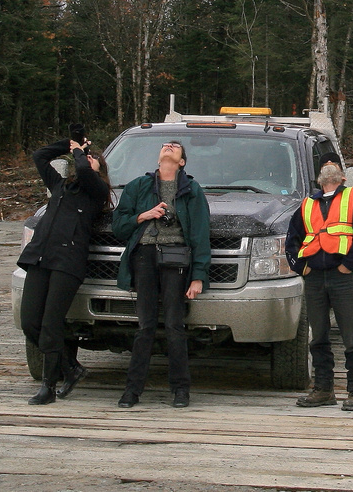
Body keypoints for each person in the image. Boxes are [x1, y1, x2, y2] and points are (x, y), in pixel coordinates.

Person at [111, 139, 209, 407]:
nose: (169, 146)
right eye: (165, 145)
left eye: (175, 147)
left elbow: (200, 235)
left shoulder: (192, 190)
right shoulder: (138, 186)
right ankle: (132, 390)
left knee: (175, 325)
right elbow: (119, 225)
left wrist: (198, 275)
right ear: (158, 158)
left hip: (176, 259)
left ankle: (180, 390)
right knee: (145, 326)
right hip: (143, 258)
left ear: (182, 162)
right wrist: (143, 216)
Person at [17, 133, 111, 405]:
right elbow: (39, 157)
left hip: (68, 262)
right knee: (30, 322)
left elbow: (83, 169)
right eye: (86, 157)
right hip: (40, 257)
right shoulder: (59, 186)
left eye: (94, 159)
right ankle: (71, 367)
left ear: (100, 170)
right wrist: (69, 144)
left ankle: (48, 386)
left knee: (50, 324)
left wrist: (81, 154)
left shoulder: (97, 192)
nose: (86, 160)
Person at [285, 160, 353, 411]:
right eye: (324, 164)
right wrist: (300, 267)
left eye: (333, 164)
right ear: (318, 180)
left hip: (341, 276)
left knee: (351, 337)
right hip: (313, 277)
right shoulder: (306, 205)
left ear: (343, 177)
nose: (328, 165)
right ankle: (323, 389)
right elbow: (291, 240)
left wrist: (349, 265)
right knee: (318, 337)